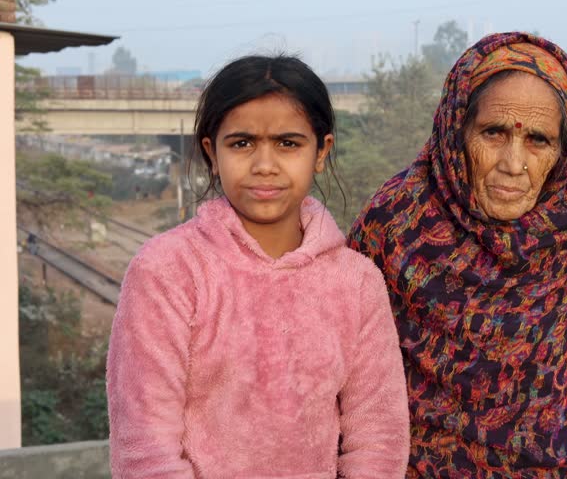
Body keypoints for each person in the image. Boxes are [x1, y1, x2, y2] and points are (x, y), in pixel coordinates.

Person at [349, 33, 567, 477]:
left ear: (565, 151)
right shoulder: (396, 223)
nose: (513, 163)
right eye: (493, 133)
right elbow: (337, 379)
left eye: (538, 141)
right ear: (457, 130)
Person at [107, 54, 410, 478]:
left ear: (321, 151)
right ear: (212, 152)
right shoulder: (167, 272)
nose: (264, 165)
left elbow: (379, 437)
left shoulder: (356, 283)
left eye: (288, 143)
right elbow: (144, 447)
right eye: (242, 143)